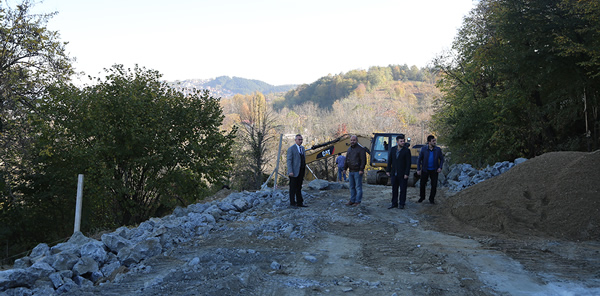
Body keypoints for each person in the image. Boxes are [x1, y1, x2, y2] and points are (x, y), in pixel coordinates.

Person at [417, 135, 445, 204]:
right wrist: (418, 169)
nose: (435, 142)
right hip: (425, 169)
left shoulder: (438, 149)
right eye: (433, 141)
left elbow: (442, 159)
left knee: (434, 185)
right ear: (429, 142)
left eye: (435, 140)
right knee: (422, 184)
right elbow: (419, 160)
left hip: (434, 170)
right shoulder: (423, 149)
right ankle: (422, 197)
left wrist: (440, 167)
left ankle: (431, 199)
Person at [386, 134, 412, 209]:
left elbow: (408, 163)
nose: (403, 142)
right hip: (394, 173)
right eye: (401, 141)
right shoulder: (393, 149)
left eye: (403, 141)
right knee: (394, 189)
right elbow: (390, 160)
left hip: (403, 173)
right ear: (397, 142)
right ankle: (394, 203)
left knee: (403, 189)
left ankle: (402, 203)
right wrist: (388, 170)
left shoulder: (406, 151)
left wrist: (407, 173)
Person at [343, 135, 367, 206]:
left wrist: (361, 169)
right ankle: (352, 200)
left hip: (357, 171)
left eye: (354, 140)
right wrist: (345, 168)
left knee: (358, 187)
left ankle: (357, 201)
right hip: (351, 171)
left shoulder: (361, 149)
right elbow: (347, 160)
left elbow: (363, 160)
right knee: (352, 187)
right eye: (351, 140)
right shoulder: (349, 149)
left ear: (357, 141)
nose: (352, 141)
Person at [287, 134, 307, 208]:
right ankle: (292, 203)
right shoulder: (291, 149)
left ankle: (299, 202)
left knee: (299, 187)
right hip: (293, 172)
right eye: (299, 139)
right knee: (292, 188)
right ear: (295, 140)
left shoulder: (303, 148)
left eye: (301, 139)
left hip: (301, 171)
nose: (300, 141)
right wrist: (290, 171)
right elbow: (289, 161)